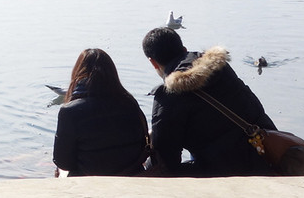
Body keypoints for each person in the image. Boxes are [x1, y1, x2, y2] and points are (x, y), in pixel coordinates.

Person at [142, 26, 275, 176]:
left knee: (158, 170)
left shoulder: (168, 95)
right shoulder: (220, 67)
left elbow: (166, 160)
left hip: (229, 171)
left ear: (153, 63)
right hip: (268, 154)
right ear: (184, 49)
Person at [53, 48, 149, 176]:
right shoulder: (130, 103)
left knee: (60, 171)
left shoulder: (69, 111)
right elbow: (142, 146)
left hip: (90, 181)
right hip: (131, 175)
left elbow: (63, 162)